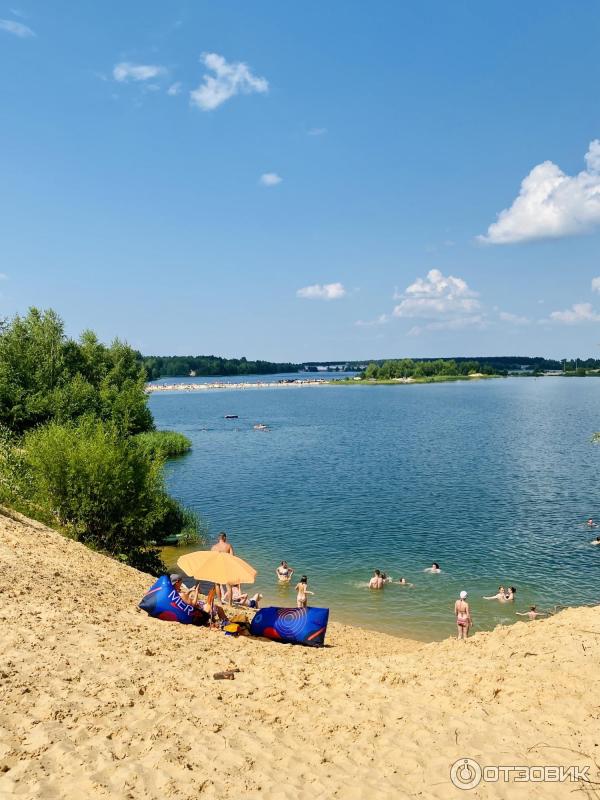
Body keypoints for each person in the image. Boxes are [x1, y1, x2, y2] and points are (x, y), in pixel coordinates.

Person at [211, 532, 234, 603]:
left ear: (219, 538)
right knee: (228, 585)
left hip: (217, 567)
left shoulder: (213, 547)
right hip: (226, 567)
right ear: (224, 538)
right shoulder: (228, 546)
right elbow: (232, 558)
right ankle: (230, 603)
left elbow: (211, 559)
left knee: (217, 584)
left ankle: (219, 601)